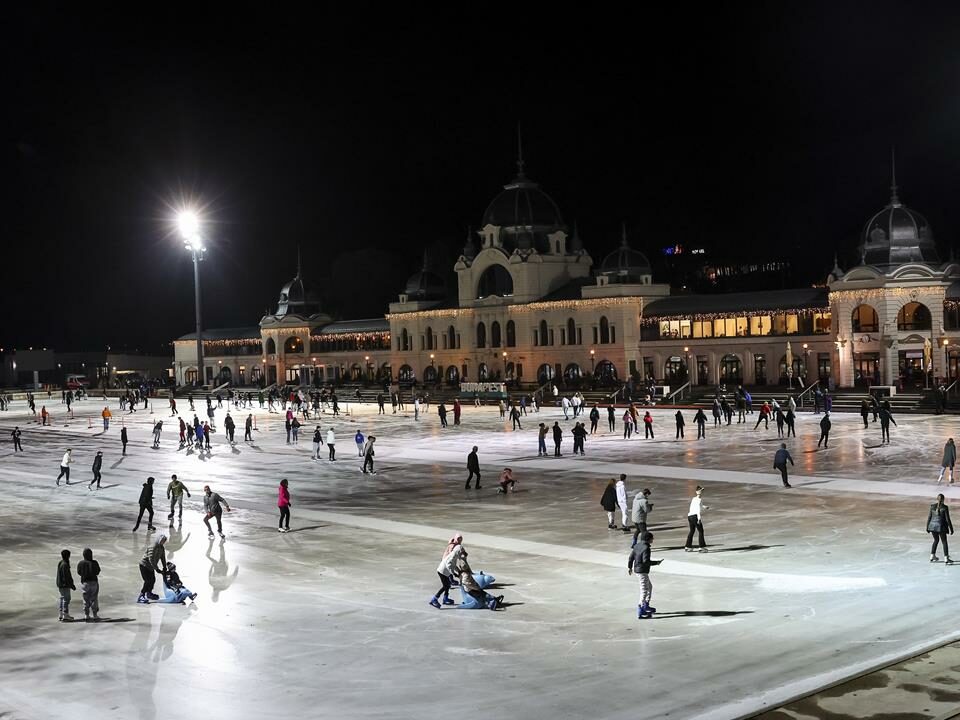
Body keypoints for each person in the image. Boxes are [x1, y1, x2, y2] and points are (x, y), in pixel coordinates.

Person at [628, 531, 662, 619]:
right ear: (648, 539)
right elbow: (646, 561)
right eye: (652, 538)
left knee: (649, 587)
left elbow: (631, 557)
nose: (653, 540)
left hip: (638, 570)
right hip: (642, 571)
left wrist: (629, 567)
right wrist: (656, 563)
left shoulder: (637, 545)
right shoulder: (646, 548)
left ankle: (646, 604)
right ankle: (640, 609)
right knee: (644, 590)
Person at [430, 533, 465, 609]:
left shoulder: (455, 553)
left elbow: (453, 565)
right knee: (445, 586)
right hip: (442, 571)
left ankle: (445, 598)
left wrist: (458, 571)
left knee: (448, 585)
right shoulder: (454, 553)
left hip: (444, 570)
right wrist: (454, 574)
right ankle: (434, 599)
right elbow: (449, 564)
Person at [137, 534, 168, 603]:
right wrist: (156, 569)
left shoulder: (161, 548)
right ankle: (141, 596)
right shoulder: (153, 546)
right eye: (162, 540)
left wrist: (164, 567)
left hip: (151, 567)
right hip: (144, 566)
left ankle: (149, 593)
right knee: (148, 581)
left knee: (153, 580)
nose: (163, 542)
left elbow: (163, 558)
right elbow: (151, 559)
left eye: (164, 541)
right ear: (159, 539)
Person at [928, 493, 954, 563]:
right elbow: (948, 519)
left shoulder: (932, 506)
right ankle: (946, 558)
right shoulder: (945, 507)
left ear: (937, 499)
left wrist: (927, 527)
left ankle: (932, 555)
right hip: (941, 527)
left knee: (936, 540)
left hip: (932, 527)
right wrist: (951, 529)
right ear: (943, 499)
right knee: (944, 542)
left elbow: (929, 517)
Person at [76, 548, 101, 621]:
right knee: (94, 598)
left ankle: (86, 615)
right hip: (93, 582)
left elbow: (79, 572)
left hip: (85, 583)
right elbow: (97, 572)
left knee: (85, 599)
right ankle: (95, 615)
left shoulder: (81, 563)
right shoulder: (94, 562)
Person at [684, 486, 709, 552]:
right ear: (696, 492)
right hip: (695, 516)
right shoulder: (699, 499)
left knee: (692, 531)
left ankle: (688, 546)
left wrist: (704, 507)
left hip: (690, 516)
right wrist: (699, 518)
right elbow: (697, 509)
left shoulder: (694, 499)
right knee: (701, 531)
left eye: (701, 490)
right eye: (700, 490)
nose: (700, 492)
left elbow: (697, 506)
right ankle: (702, 547)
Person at [57, 549, 77, 621]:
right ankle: (65, 614)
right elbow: (66, 577)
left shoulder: (61, 562)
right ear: (67, 556)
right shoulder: (64, 564)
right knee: (66, 599)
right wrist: (71, 585)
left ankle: (61, 614)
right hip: (65, 585)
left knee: (62, 598)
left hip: (61, 584)